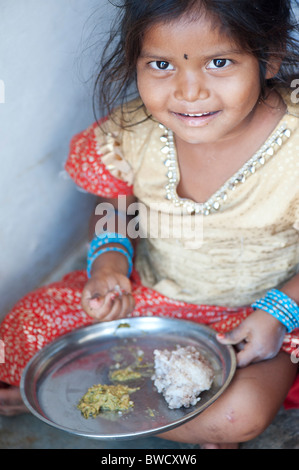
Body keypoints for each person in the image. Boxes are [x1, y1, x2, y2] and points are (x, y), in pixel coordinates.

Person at [1, 0, 299, 449]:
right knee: (24, 328)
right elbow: (115, 207)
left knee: (241, 413)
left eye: (219, 62)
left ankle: (78, 402)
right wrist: (108, 266)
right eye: (161, 64)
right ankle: (177, 409)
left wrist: (279, 312)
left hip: (258, 318)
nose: (188, 91)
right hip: (155, 300)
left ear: (269, 56)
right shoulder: (135, 131)